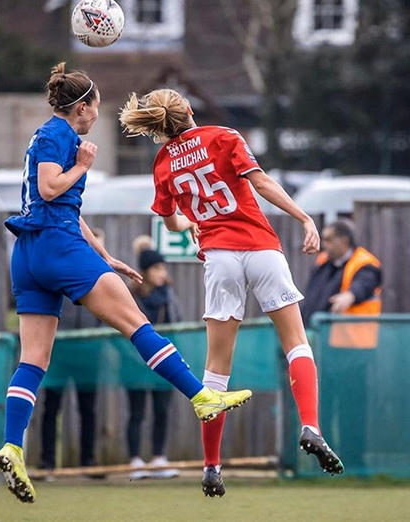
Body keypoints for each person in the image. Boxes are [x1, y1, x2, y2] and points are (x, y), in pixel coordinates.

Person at [0, 63, 252, 504]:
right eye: (96, 104)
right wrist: (83, 164)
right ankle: (201, 397)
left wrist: (105, 254)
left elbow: (61, 206)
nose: (98, 112)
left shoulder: (44, 136)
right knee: (137, 324)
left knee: (33, 358)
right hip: (57, 247)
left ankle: (12, 445)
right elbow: (52, 188)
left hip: (30, 254)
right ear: (83, 107)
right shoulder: (62, 134)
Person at [119, 89, 345, 497]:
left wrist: (190, 224)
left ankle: (211, 466)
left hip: (220, 258)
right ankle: (310, 425)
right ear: (188, 110)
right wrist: (304, 216)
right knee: (297, 344)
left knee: (216, 370)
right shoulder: (223, 136)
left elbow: (170, 222)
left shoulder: (163, 161)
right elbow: (260, 183)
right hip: (261, 249)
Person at [301, 220, 382, 469]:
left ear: (344, 241)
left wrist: (350, 295)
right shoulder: (323, 263)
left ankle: (353, 465)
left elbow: (364, 284)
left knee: (352, 412)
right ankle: (322, 464)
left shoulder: (365, 263)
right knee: (321, 409)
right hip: (324, 351)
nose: (324, 244)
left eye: (328, 239)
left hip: (354, 353)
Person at [40, 228, 105, 476]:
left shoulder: (104, 279)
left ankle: (88, 461)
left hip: (89, 356)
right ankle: (47, 463)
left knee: (88, 409)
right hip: (59, 354)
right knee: (50, 408)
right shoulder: (60, 272)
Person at [127, 237, 180, 479]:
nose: (162, 273)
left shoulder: (168, 294)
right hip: (135, 364)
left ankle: (159, 458)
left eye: (163, 268)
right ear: (145, 272)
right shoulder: (130, 295)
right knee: (136, 412)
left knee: (162, 410)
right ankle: (135, 461)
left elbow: (176, 324)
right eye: (157, 268)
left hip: (164, 363)